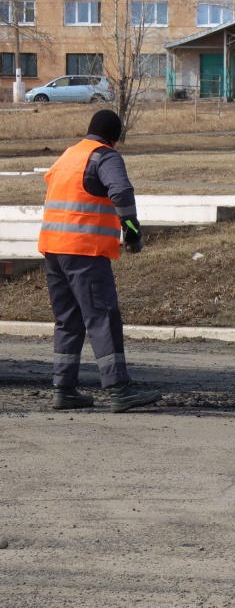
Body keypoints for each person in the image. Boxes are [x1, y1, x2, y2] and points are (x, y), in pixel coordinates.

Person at [38, 109, 162, 413]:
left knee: (68, 320)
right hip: (85, 250)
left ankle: (63, 389)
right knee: (103, 316)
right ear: (115, 138)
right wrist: (132, 234)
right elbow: (120, 191)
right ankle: (119, 389)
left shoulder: (68, 155)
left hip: (54, 250)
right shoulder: (105, 156)